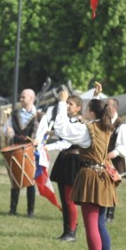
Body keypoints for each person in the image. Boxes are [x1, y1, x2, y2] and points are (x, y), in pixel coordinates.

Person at [53, 87, 118, 250]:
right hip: (104, 177)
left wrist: (61, 102)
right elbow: (98, 110)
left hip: (91, 177)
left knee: (91, 225)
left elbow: (61, 128)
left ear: (90, 112)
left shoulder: (87, 130)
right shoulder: (106, 126)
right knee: (100, 224)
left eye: (87, 108)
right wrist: (96, 97)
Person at [44, 94, 84, 242]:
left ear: (78, 108)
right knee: (64, 199)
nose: (67, 106)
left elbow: (66, 143)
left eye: (71, 104)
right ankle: (67, 230)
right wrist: (53, 133)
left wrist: (45, 147)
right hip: (65, 159)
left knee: (69, 199)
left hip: (73, 161)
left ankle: (71, 232)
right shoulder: (69, 121)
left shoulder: (79, 122)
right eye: (66, 103)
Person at [4, 88, 42, 217]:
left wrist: (38, 140)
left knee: (30, 181)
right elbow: (7, 129)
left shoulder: (40, 115)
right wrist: (9, 132)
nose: (20, 99)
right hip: (16, 149)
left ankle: (30, 211)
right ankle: (12, 209)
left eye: (23, 97)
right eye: (21, 97)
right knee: (15, 180)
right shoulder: (14, 114)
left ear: (31, 98)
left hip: (31, 151)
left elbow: (44, 133)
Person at [105, 96, 126, 223]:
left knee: (111, 188)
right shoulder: (105, 122)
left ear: (114, 108)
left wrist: (114, 152)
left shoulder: (121, 125)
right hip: (103, 160)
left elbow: (125, 146)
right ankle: (103, 213)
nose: (106, 107)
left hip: (114, 161)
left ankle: (110, 215)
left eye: (108, 105)